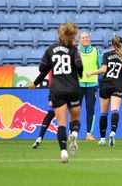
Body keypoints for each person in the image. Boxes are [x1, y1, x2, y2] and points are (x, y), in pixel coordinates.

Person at [38, 22, 83, 163]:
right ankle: (74, 133)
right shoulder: (74, 50)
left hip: (57, 89)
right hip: (73, 88)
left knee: (61, 124)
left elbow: (41, 68)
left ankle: (63, 151)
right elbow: (79, 66)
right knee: (75, 119)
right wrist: (79, 73)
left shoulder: (50, 49)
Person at [77, 31, 102, 141]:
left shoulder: (96, 52)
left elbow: (101, 69)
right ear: (79, 39)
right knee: (75, 110)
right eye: (83, 38)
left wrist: (93, 73)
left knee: (90, 109)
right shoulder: (75, 52)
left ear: (90, 39)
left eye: (87, 37)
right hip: (77, 84)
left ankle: (89, 134)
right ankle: (72, 133)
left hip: (92, 85)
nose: (85, 39)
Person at [29, 71, 55, 149]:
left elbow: (44, 72)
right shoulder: (70, 59)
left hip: (56, 90)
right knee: (72, 113)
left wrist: (35, 83)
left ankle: (40, 137)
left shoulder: (52, 60)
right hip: (69, 89)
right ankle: (73, 134)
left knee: (51, 114)